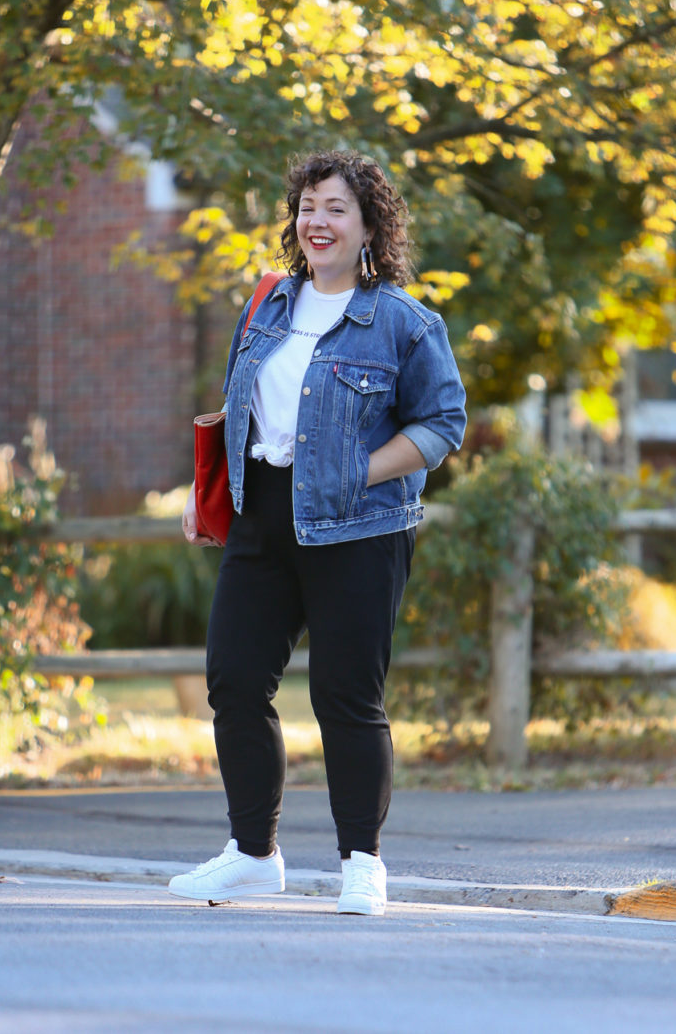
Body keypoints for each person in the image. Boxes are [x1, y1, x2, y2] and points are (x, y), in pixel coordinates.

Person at [169, 149, 466, 915]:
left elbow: (442, 424)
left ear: (369, 224)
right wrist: (211, 491)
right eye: (307, 206)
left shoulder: (402, 320)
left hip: (359, 527)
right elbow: (244, 407)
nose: (317, 221)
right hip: (262, 518)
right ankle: (251, 854)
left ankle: (362, 862)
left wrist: (356, 474)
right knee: (234, 683)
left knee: (345, 694)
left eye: (335, 207)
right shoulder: (267, 303)